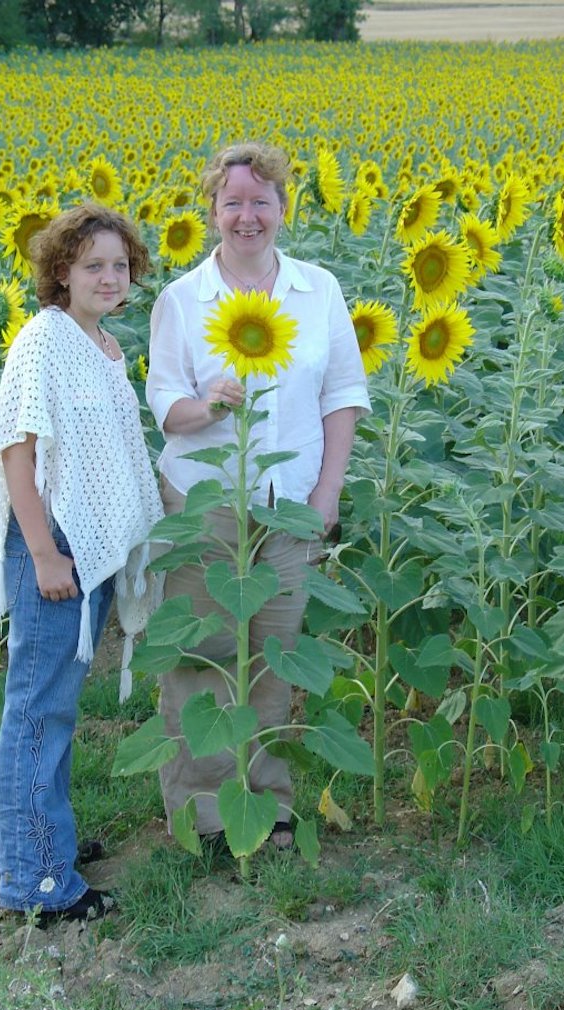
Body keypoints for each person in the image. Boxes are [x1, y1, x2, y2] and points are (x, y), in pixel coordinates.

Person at [146, 142, 371, 848]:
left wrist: (327, 490)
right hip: (205, 498)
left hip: (290, 497)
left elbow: (343, 394)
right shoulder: (184, 300)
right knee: (203, 652)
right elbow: (163, 404)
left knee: (275, 651)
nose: (248, 216)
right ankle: (207, 812)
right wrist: (208, 405)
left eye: (261, 201)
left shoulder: (317, 290)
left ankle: (265, 802)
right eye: (233, 202)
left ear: (282, 208)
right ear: (212, 211)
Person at [0, 204, 164, 921]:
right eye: (93, 266)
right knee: (39, 708)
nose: (110, 277)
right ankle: (39, 884)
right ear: (61, 271)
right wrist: (46, 553)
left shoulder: (105, 345)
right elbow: (16, 453)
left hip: (83, 552)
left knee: (46, 702)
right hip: (50, 548)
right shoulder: (44, 339)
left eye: (120, 265)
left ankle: (20, 849)